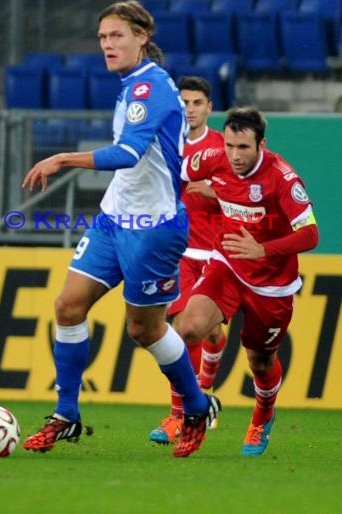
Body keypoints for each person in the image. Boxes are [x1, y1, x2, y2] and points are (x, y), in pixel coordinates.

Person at [21, 0, 221, 459]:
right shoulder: (131, 85)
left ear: (142, 38)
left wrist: (63, 158)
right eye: (103, 38)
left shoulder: (150, 88)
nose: (108, 45)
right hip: (115, 219)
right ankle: (66, 414)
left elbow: (128, 154)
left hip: (153, 227)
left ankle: (195, 406)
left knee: (144, 330)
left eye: (117, 36)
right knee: (68, 307)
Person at [179, 106, 319, 456]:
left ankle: (262, 417)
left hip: (272, 285)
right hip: (227, 264)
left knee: (260, 362)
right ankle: (198, 406)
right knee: (188, 328)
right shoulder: (215, 158)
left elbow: (311, 235)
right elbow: (184, 170)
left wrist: (264, 249)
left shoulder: (282, 177)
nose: (234, 155)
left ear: (261, 145)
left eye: (243, 147)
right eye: (229, 146)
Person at [149, 76, 227, 445]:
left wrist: (215, 192)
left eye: (197, 103)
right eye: (185, 103)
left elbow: (249, 196)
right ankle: (181, 414)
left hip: (217, 255)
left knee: (204, 331)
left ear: (209, 107)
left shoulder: (223, 147)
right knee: (181, 331)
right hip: (179, 253)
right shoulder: (167, 142)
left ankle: (201, 391)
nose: (190, 109)